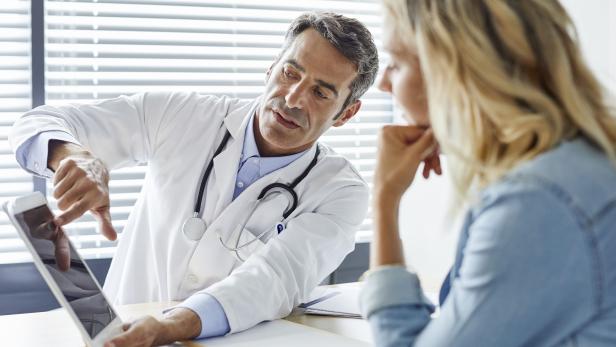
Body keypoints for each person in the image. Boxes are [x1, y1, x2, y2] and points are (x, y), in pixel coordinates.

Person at [10, 12, 379, 346]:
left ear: (346, 113)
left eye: (320, 92)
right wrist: (75, 156)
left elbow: (276, 278)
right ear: (271, 68)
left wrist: (171, 326)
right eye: (290, 73)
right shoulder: (182, 115)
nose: (294, 98)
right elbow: (37, 122)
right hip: (117, 337)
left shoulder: (341, 192)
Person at [360, 0, 616, 346]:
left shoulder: (538, 203)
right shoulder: (576, 166)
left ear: (456, 70)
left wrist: (384, 199)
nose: (384, 86)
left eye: (396, 63)